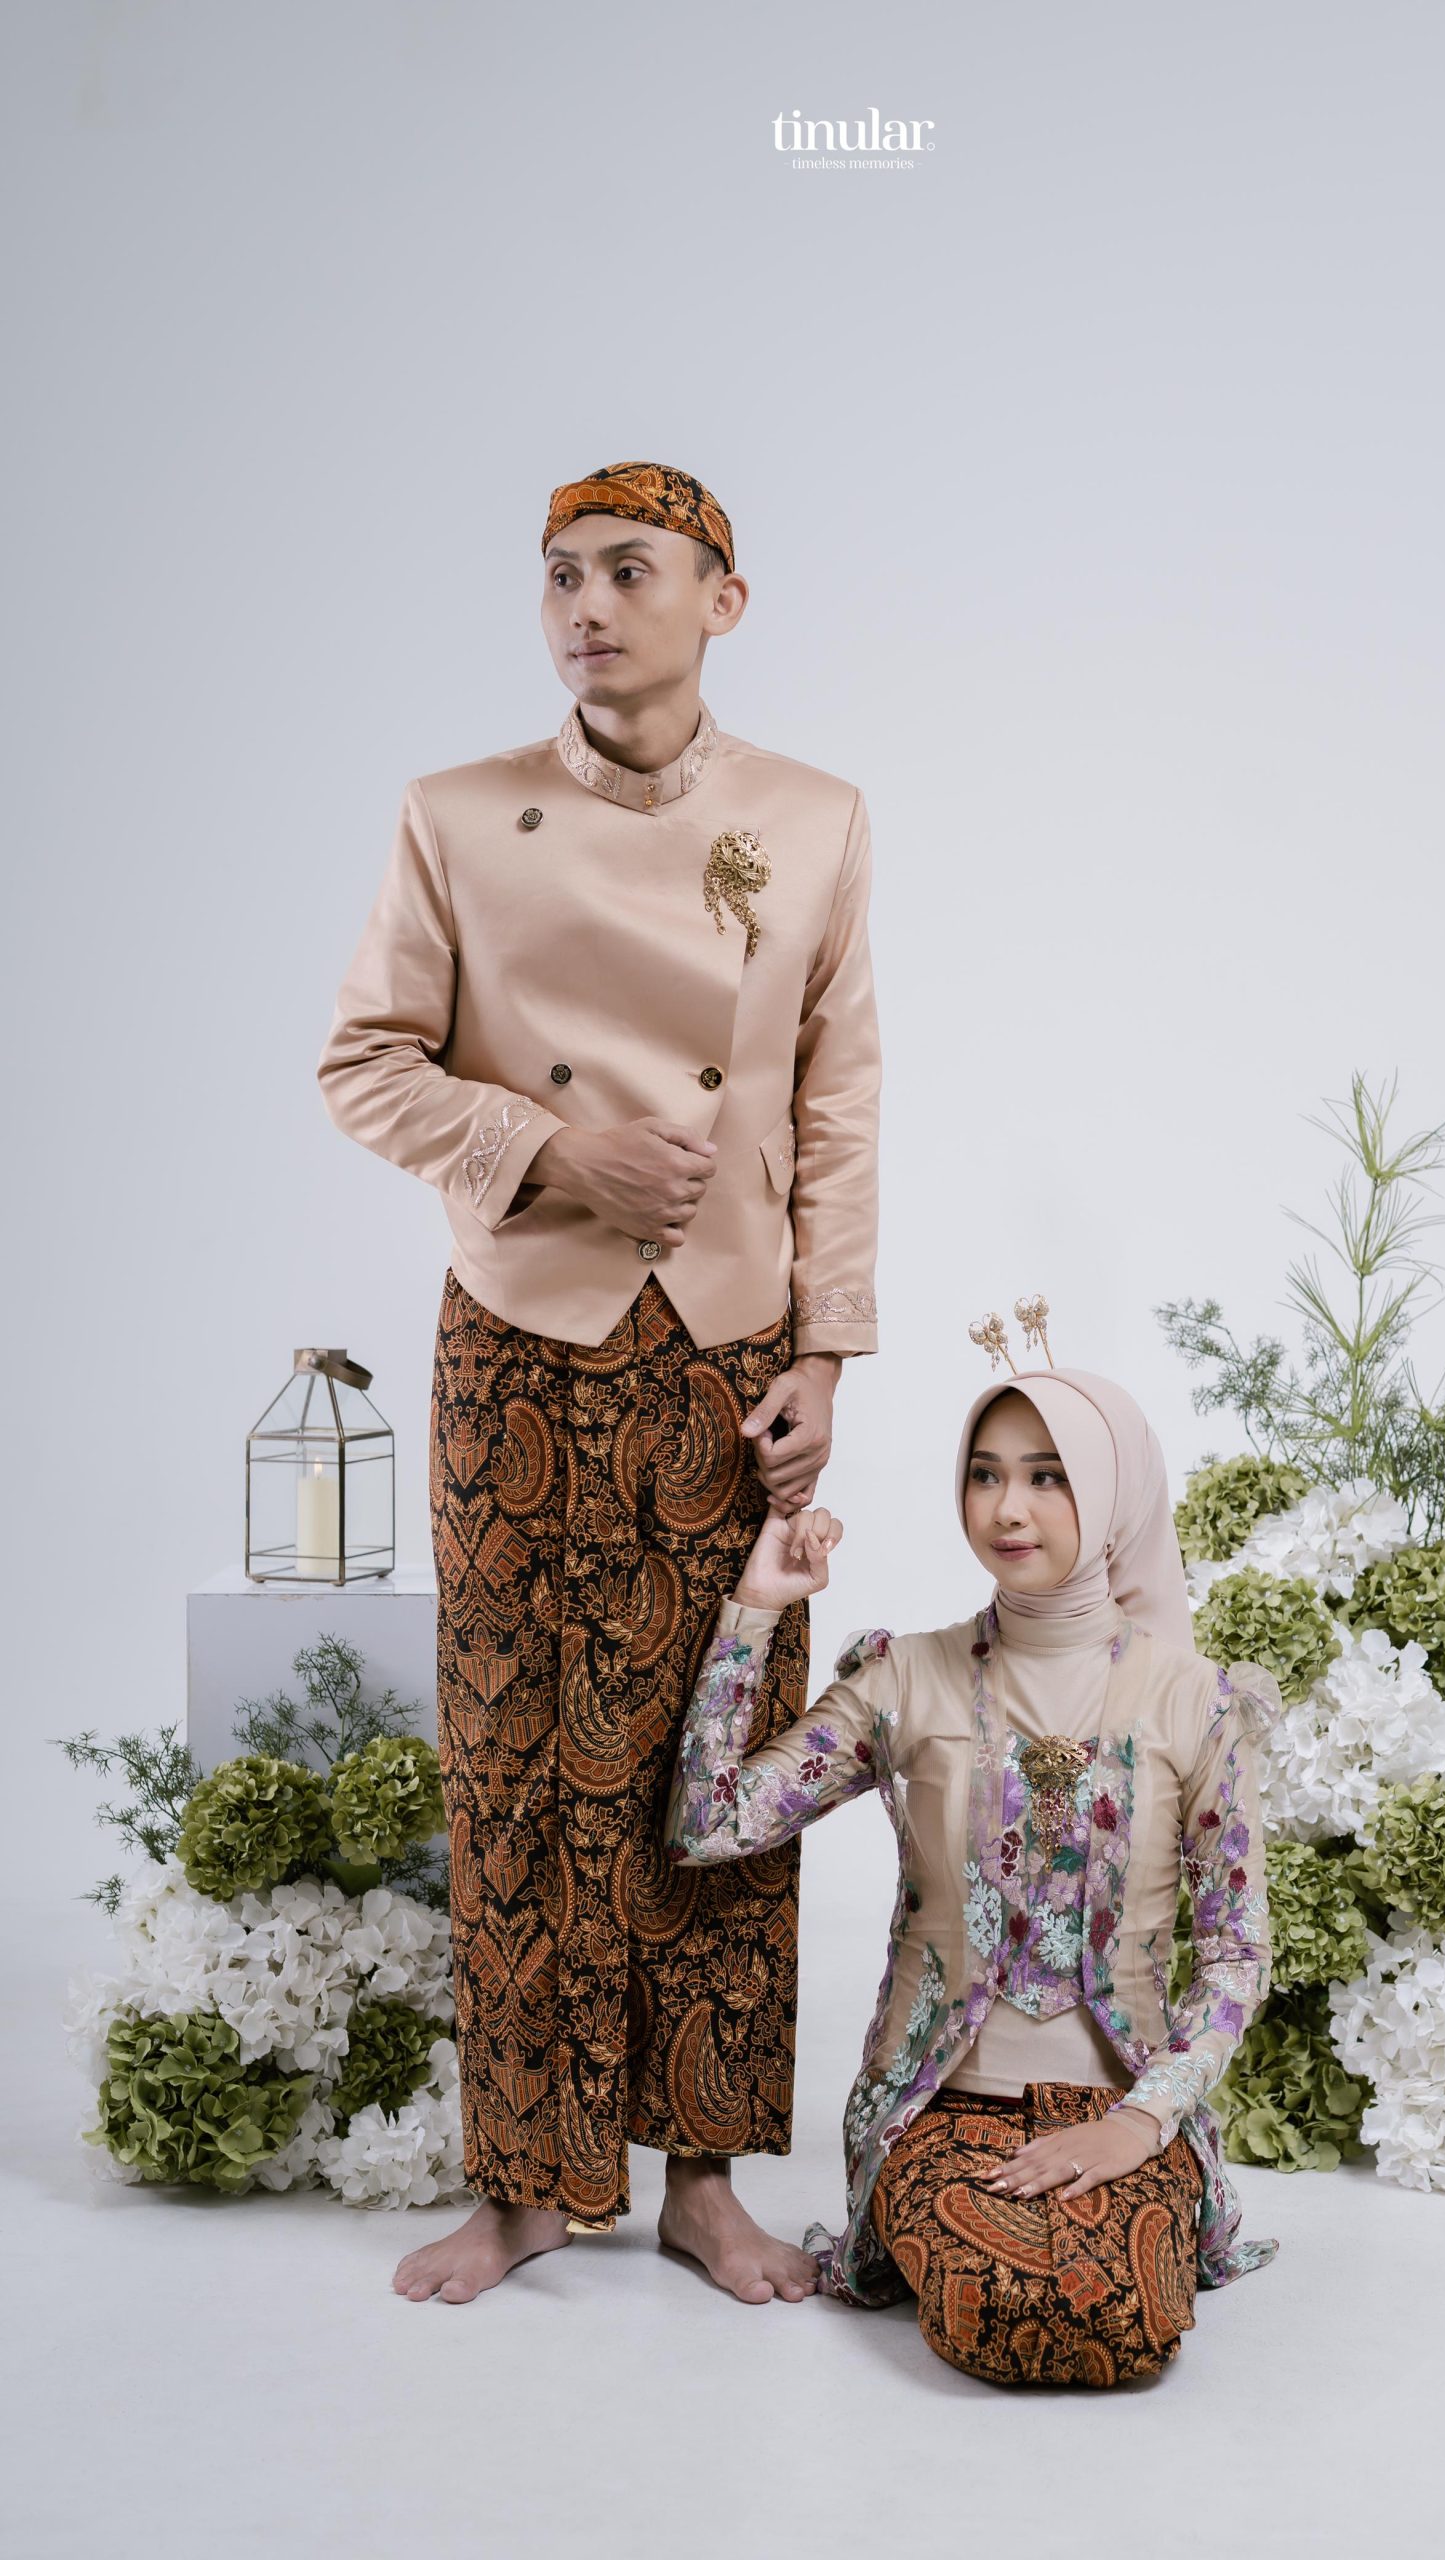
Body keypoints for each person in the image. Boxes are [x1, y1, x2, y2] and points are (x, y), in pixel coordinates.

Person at [318, 460, 880, 2307]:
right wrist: (557, 1153)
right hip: (520, 1342)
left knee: (718, 1764)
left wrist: (825, 1349)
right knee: (510, 1766)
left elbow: (836, 1099)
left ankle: (703, 2183)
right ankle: (524, 2185)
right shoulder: (454, 816)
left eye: (631, 570)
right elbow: (365, 1064)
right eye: (561, 573)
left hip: (728, 1347)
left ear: (723, 598)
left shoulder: (814, 818)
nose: (587, 605)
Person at [665, 1357, 1279, 2385]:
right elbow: (709, 1824)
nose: (1007, 1508)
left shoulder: (1194, 1700)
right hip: (938, 2109)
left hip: (1123, 2113)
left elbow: (1234, 1952)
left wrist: (1142, 2119)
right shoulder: (907, 1677)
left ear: (1113, 1491)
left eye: (1047, 1477)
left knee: (1113, 2316)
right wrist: (756, 1606)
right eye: (984, 1474)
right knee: (999, 2307)